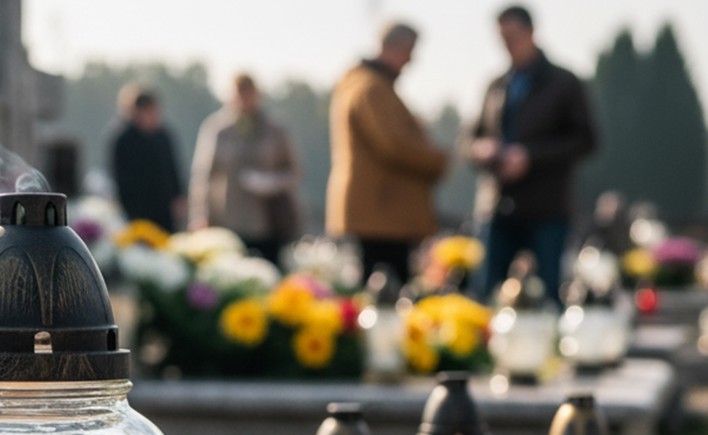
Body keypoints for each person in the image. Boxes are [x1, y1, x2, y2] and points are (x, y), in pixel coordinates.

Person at [467, 6, 597, 305]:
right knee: (485, 293)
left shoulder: (564, 82)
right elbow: (469, 138)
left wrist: (530, 157)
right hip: (497, 206)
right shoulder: (496, 85)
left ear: (531, 33)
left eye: (512, 36)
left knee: (550, 293)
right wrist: (481, 149)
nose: (507, 45)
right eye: (502, 38)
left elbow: (586, 140)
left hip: (546, 208)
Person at [326, 23, 448, 287]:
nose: (411, 60)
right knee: (386, 293)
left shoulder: (364, 84)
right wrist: (438, 160)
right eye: (409, 51)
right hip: (383, 212)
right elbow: (393, 145)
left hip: (379, 211)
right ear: (394, 48)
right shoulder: (372, 88)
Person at [188, 74, 300, 264]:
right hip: (228, 220)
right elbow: (203, 176)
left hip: (268, 221)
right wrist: (200, 215)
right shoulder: (218, 128)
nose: (245, 99)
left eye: (249, 93)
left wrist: (270, 182)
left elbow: (293, 171)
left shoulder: (275, 128)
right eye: (240, 94)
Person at [109, 84, 185, 233]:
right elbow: (120, 179)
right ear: (136, 112)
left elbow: (173, 170)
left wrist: (179, 197)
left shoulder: (163, 136)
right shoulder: (123, 139)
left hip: (165, 213)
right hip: (137, 213)